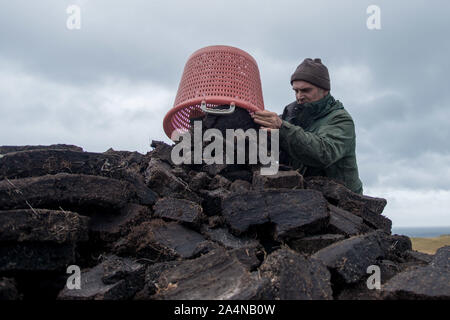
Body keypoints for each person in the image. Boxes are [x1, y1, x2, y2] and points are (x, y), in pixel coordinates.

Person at [251, 58, 363, 194]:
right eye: (296, 91)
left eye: (305, 90)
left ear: (325, 90)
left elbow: (323, 153)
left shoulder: (341, 120)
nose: (299, 96)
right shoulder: (292, 115)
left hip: (343, 200)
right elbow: (271, 139)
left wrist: (281, 128)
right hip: (307, 195)